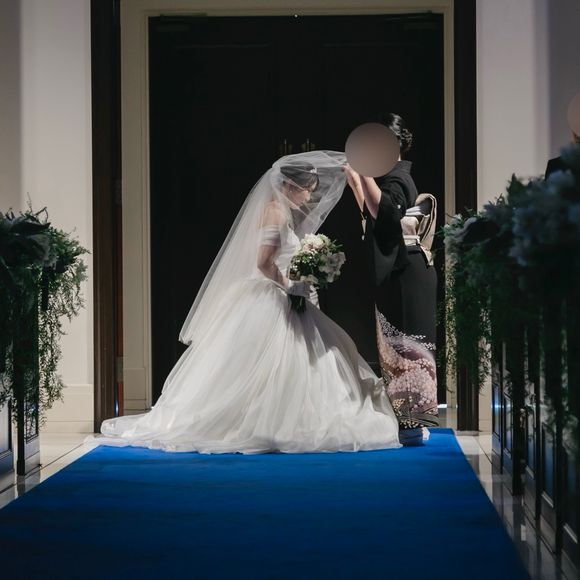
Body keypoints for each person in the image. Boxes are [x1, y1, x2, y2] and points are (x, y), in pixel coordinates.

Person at [97, 151, 400, 454]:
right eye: (307, 189)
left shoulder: (280, 212)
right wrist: (291, 286)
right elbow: (264, 262)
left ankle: (283, 417)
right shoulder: (275, 213)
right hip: (273, 297)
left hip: (282, 296)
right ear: (289, 186)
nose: (309, 196)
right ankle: (269, 422)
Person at [343, 113, 438, 446]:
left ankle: (412, 423)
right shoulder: (391, 177)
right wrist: (357, 180)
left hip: (407, 270)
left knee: (407, 345)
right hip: (399, 270)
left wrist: (364, 173)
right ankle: (406, 421)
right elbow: (373, 218)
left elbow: (383, 215)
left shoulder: (398, 177)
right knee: (394, 345)